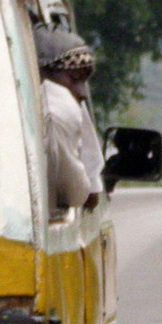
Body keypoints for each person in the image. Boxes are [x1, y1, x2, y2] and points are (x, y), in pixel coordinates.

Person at [34, 27, 103, 213]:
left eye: (84, 82)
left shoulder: (71, 111)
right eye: (74, 79)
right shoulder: (55, 111)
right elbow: (80, 193)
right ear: (39, 75)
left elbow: (92, 188)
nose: (82, 93)